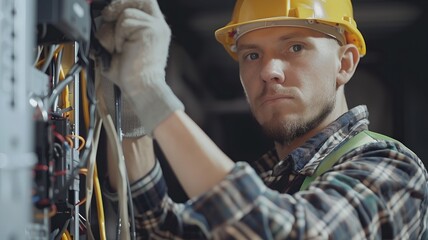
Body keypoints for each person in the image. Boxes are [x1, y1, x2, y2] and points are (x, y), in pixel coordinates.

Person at [95, 0, 428, 239]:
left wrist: (152, 92)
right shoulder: (268, 182)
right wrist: (132, 106)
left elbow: (289, 233)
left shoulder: (393, 170)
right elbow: (158, 230)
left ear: (345, 64)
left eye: (296, 47)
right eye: (252, 55)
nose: (269, 71)